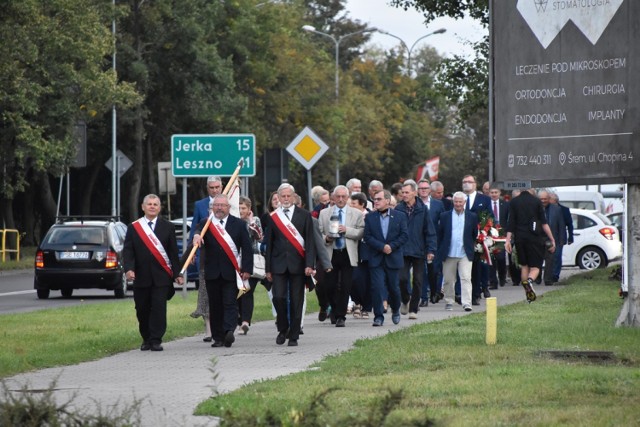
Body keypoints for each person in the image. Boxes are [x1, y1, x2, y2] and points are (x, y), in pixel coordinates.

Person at [123, 194, 183, 352]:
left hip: (161, 277)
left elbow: (172, 253)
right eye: (149, 204)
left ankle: (156, 339)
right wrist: (129, 269)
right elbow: (128, 251)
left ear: (159, 207)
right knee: (142, 309)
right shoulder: (134, 227)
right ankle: (146, 338)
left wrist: (178, 274)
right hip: (141, 277)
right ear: (143, 207)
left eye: (155, 204)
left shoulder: (168, 227)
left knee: (158, 308)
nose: (152, 206)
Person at [192, 195, 253, 348]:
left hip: (231, 272)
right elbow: (197, 231)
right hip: (212, 271)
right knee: (215, 305)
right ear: (212, 207)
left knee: (230, 302)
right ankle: (218, 337)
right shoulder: (206, 223)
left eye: (222, 205)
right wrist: (196, 235)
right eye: (216, 205)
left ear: (228, 207)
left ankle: (228, 331)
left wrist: (247, 269)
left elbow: (247, 248)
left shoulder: (238, 224)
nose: (219, 208)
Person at [265, 183, 315, 346]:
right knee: (278, 297)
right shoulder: (273, 217)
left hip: (298, 264)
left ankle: (293, 335)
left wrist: (309, 264)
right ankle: (282, 328)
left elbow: (310, 242)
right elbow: (269, 244)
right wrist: (268, 268)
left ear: (293, 197)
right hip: (278, 264)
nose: (286, 199)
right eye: (283, 196)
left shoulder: (304, 215)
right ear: (278, 198)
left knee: (296, 300)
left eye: (288, 196)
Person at [318, 185, 364, 327]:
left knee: (345, 285)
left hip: (347, 253)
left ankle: (341, 316)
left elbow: (361, 232)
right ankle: (334, 308)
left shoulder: (355, 213)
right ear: (333, 197)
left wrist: (346, 230)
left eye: (344, 196)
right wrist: (327, 238)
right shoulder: (325, 213)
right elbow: (318, 233)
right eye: (338, 196)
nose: (341, 199)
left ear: (348, 197)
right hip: (331, 253)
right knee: (329, 286)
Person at [364, 189, 408, 326]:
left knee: (393, 288)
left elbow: (404, 235)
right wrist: (381, 246)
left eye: (378, 199)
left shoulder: (400, 216)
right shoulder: (370, 217)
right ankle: (378, 316)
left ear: (387, 201)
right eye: (374, 200)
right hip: (376, 257)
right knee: (376, 287)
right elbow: (367, 236)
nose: (375, 202)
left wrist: (391, 246)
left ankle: (395, 309)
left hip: (393, 257)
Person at [505, 188, 556, 303]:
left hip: (519, 238)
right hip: (534, 239)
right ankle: (530, 281)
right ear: (532, 192)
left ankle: (528, 293)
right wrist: (552, 239)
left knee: (524, 266)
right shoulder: (536, 202)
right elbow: (544, 223)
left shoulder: (514, 202)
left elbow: (511, 222)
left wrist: (507, 240)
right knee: (535, 267)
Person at [395, 180, 436, 319]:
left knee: (418, 280)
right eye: (403, 193)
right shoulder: (398, 209)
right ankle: (405, 299)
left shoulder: (423, 209)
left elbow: (429, 230)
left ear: (414, 192)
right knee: (402, 278)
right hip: (402, 250)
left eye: (407, 192)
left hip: (419, 250)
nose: (404, 195)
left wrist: (431, 250)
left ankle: (413, 309)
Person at [189, 176, 223, 342]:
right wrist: (192, 252)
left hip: (225, 255)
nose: (215, 190)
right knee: (205, 292)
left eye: (217, 187)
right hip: (205, 256)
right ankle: (208, 329)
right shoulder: (200, 205)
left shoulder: (228, 202)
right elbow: (195, 229)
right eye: (212, 187)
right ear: (207, 188)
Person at [437, 192, 478, 312]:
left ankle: (467, 303)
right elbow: (440, 234)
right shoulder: (445, 216)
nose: (458, 204)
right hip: (449, 253)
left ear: (464, 202)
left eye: (460, 201)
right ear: (453, 202)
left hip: (465, 252)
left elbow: (474, 233)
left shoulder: (472, 216)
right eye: (456, 201)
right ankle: (449, 301)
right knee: (449, 280)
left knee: (466, 278)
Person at [461, 174, 493, 305]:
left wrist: (484, 232)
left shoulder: (484, 199)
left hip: (477, 239)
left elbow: (489, 216)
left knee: (476, 267)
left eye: (469, 182)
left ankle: (475, 295)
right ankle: (463, 295)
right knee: (463, 269)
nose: (466, 184)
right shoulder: (458, 198)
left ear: (475, 184)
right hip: (462, 238)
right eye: (464, 182)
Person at [237, 196, 263, 335]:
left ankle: (245, 322)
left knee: (247, 291)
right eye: (239, 208)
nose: (241, 211)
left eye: (244, 208)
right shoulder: (232, 221)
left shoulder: (255, 220)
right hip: (236, 261)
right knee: (238, 292)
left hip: (251, 260)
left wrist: (251, 222)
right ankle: (239, 318)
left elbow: (259, 237)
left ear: (249, 209)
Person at [417, 178, 445, 306]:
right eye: (421, 188)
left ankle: (435, 292)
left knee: (434, 270)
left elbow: (443, 223)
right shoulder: (414, 204)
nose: (423, 191)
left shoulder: (438, 204)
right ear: (417, 190)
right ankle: (423, 297)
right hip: (418, 242)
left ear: (430, 190)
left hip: (434, 242)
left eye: (425, 188)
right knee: (420, 271)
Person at [349, 192, 371, 319]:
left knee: (367, 281)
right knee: (354, 279)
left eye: (354, 203)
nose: (351, 206)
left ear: (362, 204)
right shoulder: (350, 217)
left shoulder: (370, 216)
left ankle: (366, 307)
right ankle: (357, 302)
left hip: (367, 253)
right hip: (353, 252)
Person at [538, 189, 565, 286]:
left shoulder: (556, 209)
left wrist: (561, 240)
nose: (543, 201)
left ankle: (548, 279)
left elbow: (561, 225)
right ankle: (537, 277)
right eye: (541, 199)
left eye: (545, 199)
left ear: (549, 199)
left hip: (551, 238)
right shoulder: (535, 208)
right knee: (538, 259)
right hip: (538, 238)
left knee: (550, 259)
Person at [550, 192, 573, 283]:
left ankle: (555, 275)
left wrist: (571, 237)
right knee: (549, 257)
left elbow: (570, 224)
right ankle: (549, 274)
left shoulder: (564, 210)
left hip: (559, 237)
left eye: (549, 198)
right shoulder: (545, 209)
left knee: (557, 256)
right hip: (548, 237)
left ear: (554, 200)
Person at [488, 185, 509, 289]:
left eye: (496, 192)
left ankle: (502, 276)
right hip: (489, 234)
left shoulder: (505, 205)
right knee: (490, 258)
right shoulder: (487, 204)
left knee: (500, 258)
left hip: (501, 234)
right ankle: (493, 281)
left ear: (499, 193)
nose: (494, 194)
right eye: (492, 192)